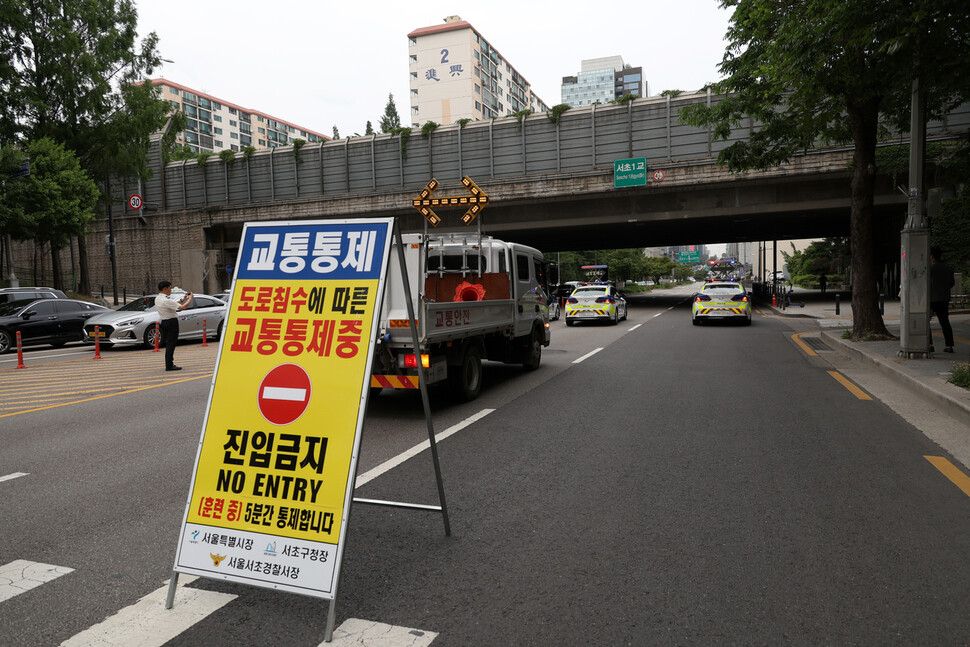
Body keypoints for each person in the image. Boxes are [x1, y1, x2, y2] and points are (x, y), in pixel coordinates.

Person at [156, 281, 194, 370]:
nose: (170, 290)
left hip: (164, 322)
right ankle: (169, 365)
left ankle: (169, 363)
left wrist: (182, 299)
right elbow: (183, 307)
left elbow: (171, 304)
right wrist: (190, 298)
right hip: (171, 322)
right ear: (164, 289)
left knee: (169, 344)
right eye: (169, 288)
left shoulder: (158, 298)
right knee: (171, 344)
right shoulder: (166, 300)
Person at [929, 246, 955, 353]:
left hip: (931, 299)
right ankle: (949, 345)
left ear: (931, 256)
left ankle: (930, 344)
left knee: (926, 322)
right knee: (945, 322)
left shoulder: (929, 268)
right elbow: (952, 283)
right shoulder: (948, 269)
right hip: (944, 299)